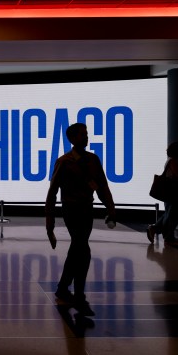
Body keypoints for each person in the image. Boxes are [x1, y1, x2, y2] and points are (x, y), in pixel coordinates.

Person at [45, 122, 116, 316]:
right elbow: (52, 192)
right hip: (71, 210)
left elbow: (101, 185)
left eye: (86, 134)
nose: (86, 137)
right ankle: (79, 296)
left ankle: (63, 287)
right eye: (82, 134)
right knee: (82, 249)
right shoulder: (64, 162)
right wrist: (49, 225)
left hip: (87, 209)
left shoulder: (93, 159)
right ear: (72, 138)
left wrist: (111, 207)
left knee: (78, 248)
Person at [146, 141, 178, 246]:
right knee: (172, 216)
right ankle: (168, 238)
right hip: (173, 193)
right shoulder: (173, 162)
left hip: (170, 193)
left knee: (169, 214)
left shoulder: (169, 161)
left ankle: (154, 229)